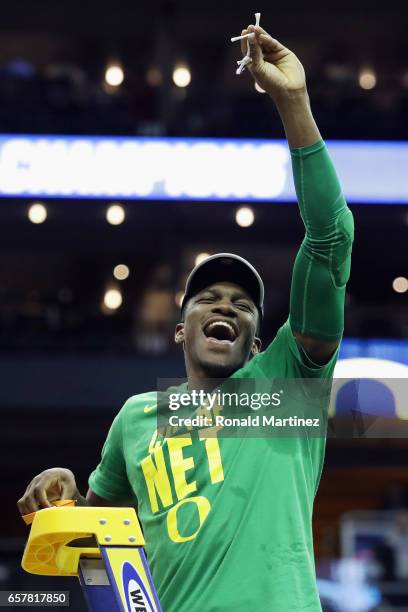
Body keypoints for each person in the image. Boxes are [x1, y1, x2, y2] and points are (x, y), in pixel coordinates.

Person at [17, 22, 354, 611]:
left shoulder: (283, 388)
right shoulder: (138, 417)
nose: (226, 305)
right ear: (180, 330)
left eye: (243, 304)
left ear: (256, 344)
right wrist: (64, 490)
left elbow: (331, 236)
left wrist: (293, 101)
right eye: (208, 299)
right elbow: (102, 537)